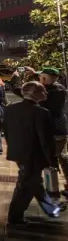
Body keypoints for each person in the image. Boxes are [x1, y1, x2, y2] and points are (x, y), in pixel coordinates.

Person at [3, 81, 61, 224]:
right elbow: (45, 139)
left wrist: (14, 148)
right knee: (25, 186)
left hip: (19, 152)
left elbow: (7, 131)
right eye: (43, 91)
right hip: (34, 155)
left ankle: (51, 209)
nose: (46, 94)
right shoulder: (41, 112)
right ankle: (15, 217)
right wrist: (52, 161)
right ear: (34, 94)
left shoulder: (11, 109)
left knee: (34, 182)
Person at [39, 67, 68, 196]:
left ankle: (53, 191)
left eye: (41, 77)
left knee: (50, 162)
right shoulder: (60, 89)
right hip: (61, 130)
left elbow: (21, 91)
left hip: (50, 132)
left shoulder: (44, 93)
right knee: (62, 157)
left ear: (44, 78)